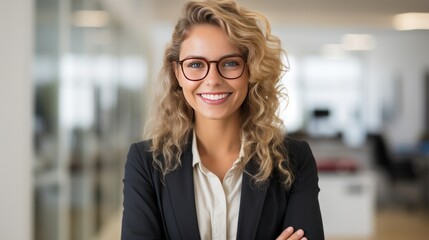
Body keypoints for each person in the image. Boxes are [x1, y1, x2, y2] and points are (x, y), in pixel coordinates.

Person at [121, 0, 324, 239]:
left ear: (251, 70)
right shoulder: (146, 163)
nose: (213, 79)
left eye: (230, 63)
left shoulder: (294, 161)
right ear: (177, 73)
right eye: (196, 64)